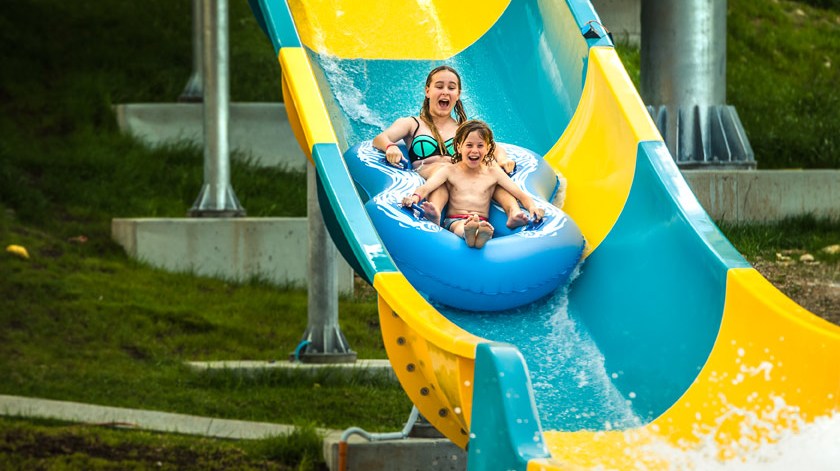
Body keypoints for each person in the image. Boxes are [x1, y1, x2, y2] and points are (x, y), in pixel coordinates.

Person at [372, 65, 530, 229]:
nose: (445, 92)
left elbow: (493, 148)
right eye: (439, 86)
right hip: (430, 173)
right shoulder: (412, 123)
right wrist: (390, 147)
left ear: (458, 94)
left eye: (451, 88)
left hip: (460, 178)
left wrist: (503, 159)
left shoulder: (463, 129)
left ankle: (514, 212)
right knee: (442, 172)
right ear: (428, 91)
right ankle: (435, 213)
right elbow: (380, 138)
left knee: (491, 173)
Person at [402, 120, 544, 249]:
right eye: (469, 145)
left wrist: (532, 208)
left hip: (483, 221)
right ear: (458, 148)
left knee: (483, 228)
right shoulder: (450, 170)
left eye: (480, 146)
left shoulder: (493, 173)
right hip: (455, 220)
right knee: (463, 227)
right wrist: (414, 198)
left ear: (488, 149)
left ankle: (478, 235)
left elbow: (519, 194)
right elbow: (427, 187)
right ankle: (468, 233)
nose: (474, 150)